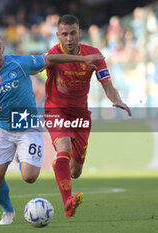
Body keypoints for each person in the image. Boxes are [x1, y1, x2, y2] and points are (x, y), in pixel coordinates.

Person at [0, 32, 103, 225]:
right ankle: (8, 211)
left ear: (3, 49)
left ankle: (21, 157)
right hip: (2, 129)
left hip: (28, 127)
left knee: (30, 177)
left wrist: (81, 59)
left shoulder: (19, 63)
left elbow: (50, 58)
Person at [44, 14, 131, 218]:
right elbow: (36, 66)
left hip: (80, 114)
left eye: (73, 33)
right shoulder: (52, 55)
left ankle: (61, 165)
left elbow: (107, 85)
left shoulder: (94, 55)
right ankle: (68, 201)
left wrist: (115, 99)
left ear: (79, 33)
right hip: (55, 110)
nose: (69, 38)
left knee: (75, 172)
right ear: (58, 35)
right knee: (63, 148)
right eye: (64, 34)